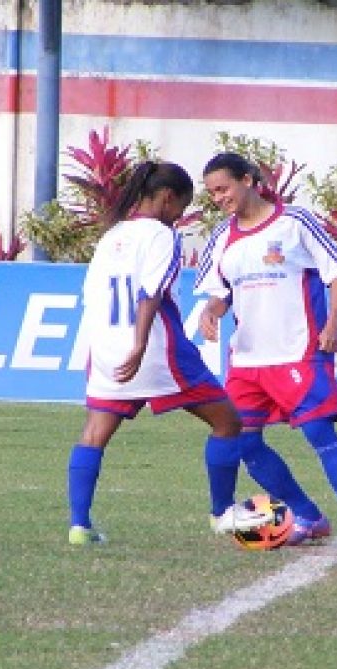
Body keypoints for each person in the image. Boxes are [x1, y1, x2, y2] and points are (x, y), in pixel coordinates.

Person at [66, 160, 271, 545]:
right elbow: (151, 292)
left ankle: (79, 525)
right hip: (155, 350)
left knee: (93, 434)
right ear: (166, 198)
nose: (179, 216)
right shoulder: (162, 236)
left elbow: (91, 296)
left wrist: (113, 345)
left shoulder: (112, 235)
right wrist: (140, 343)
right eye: (181, 207)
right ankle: (221, 513)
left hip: (107, 349)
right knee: (228, 422)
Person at [194, 152, 337, 553]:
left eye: (223, 189)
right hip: (247, 360)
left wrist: (333, 324)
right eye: (212, 193)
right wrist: (211, 312)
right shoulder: (221, 237)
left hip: (298, 351)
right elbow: (220, 293)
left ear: (248, 180)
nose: (218, 198)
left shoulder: (295, 222)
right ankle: (308, 515)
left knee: (319, 433)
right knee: (244, 441)